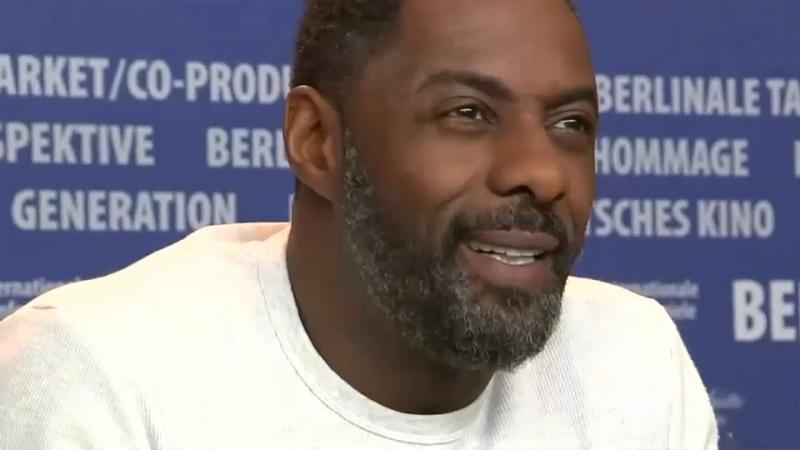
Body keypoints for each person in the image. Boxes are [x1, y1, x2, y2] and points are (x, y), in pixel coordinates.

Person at [0, 0, 718, 448]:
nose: (543, 172)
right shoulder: (99, 374)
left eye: (571, 124)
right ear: (317, 141)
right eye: (468, 113)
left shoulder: (632, 362)